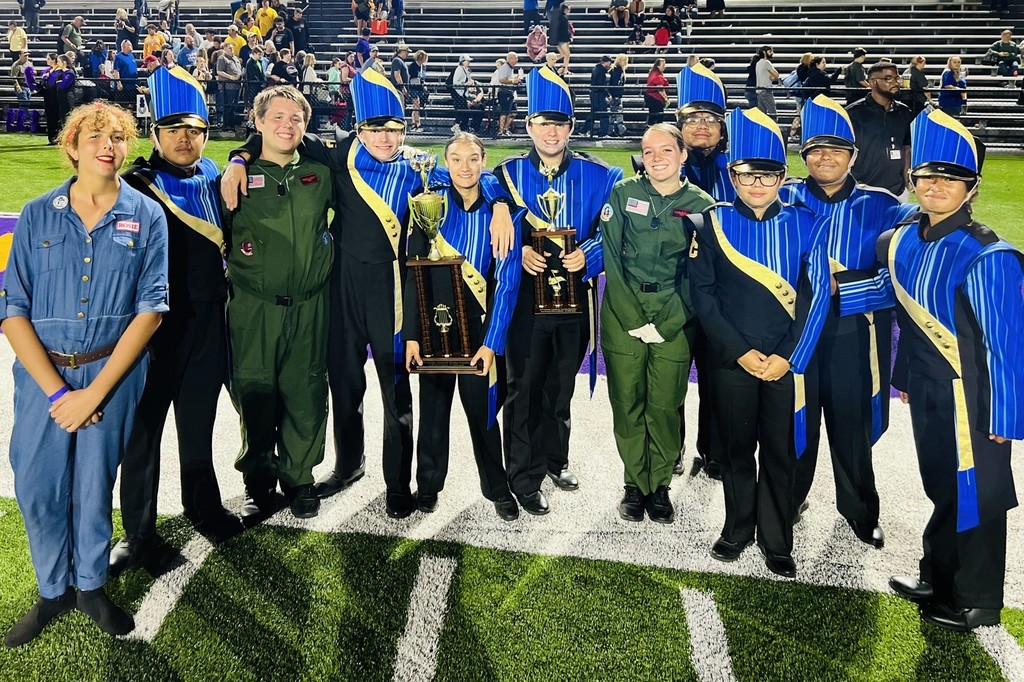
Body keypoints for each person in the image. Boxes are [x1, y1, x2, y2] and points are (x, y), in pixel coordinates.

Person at [221, 70, 517, 518]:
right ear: (358, 128)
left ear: (405, 129)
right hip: (341, 288)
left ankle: (398, 481)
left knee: (396, 389)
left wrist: (499, 202)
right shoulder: (338, 156)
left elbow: (471, 173)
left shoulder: (420, 166)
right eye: (375, 128)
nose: (385, 137)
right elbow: (278, 137)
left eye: (394, 129)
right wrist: (240, 158)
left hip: (394, 292)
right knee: (343, 383)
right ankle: (347, 464)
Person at [841, 110, 1024, 632]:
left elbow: (1007, 344)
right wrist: (830, 293)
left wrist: (1006, 416)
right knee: (942, 485)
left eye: (951, 179)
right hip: (926, 387)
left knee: (980, 494)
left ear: (972, 188)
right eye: (927, 176)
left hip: (976, 397)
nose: (937, 186)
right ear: (912, 179)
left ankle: (979, 598)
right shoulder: (906, 240)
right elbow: (890, 295)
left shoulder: (990, 254)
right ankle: (938, 575)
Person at [1, 101, 169, 648]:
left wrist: (95, 391)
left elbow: (151, 309)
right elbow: (13, 310)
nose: (108, 145)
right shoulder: (35, 214)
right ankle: (53, 590)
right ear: (70, 146)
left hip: (113, 376)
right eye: (95, 135)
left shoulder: (147, 215)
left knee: (96, 486)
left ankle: (91, 586)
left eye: (119, 136)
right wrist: (58, 392)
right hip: (43, 379)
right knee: (38, 486)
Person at [106, 67, 242, 576]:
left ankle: (202, 506)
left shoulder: (216, 175)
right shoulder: (135, 183)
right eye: (173, 129)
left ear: (206, 132)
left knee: (198, 425)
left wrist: (237, 157)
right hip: (151, 331)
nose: (185, 139)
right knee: (142, 434)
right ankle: (138, 533)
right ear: (156, 133)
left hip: (209, 323)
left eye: (195, 130)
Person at [688, 107, 830, 579]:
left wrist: (787, 357)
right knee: (734, 450)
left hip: (785, 365)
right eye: (746, 175)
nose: (755, 184)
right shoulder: (711, 224)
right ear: (731, 174)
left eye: (767, 175)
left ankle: (776, 537)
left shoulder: (808, 223)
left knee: (781, 450)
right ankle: (737, 526)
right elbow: (703, 297)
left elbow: (813, 299)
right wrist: (741, 352)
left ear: (782, 177)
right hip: (733, 361)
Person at [780, 94, 917, 548]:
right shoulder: (782, 196)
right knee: (794, 421)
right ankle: (789, 498)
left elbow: (903, 272)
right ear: (804, 155)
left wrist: (844, 289)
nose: (825, 157)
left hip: (853, 333)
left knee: (852, 425)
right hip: (796, 333)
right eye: (816, 149)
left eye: (836, 149)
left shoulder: (885, 205)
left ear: (853, 156)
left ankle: (859, 510)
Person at [495, 66, 623, 513]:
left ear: (572, 127)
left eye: (560, 123)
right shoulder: (504, 174)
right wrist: (516, 253)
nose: (551, 131)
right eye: (542, 122)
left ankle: (555, 458)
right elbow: (470, 196)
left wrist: (590, 255)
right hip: (526, 300)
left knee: (560, 385)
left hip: (575, 298)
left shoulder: (602, 176)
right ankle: (523, 475)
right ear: (528, 125)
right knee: (523, 386)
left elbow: (615, 231)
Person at [222, 85, 335, 521]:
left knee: (306, 390)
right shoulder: (233, 178)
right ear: (258, 121)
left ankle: (299, 477)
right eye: (277, 117)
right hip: (254, 307)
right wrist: (238, 159)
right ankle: (258, 480)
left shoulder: (321, 172)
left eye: (296, 119)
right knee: (254, 392)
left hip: (310, 304)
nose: (287, 126)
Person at [404, 133, 524, 521]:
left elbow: (507, 284)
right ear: (446, 162)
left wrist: (492, 344)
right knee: (433, 412)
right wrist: (411, 335)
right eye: (455, 159)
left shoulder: (501, 213)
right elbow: (413, 277)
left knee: (484, 413)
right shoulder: (429, 200)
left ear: (484, 160)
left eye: (474, 159)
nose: (465, 167)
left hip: (479, 331)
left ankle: (497, 486)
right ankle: (428, 484)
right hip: (434, 327)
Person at [601, 123, 715, 523]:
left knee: (665, 404)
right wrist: (633, 316)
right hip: (623, 311)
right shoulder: (623, 193)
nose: (657, 158)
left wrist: (667, 322)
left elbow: (699, 272)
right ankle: (635, 483)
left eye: (666, 150)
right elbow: (611, 260)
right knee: (628, 401)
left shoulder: (702, 204)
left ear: (683, 154)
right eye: (648, 152)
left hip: (676, 313)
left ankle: (660, 485)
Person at [673, 63, 733, 481]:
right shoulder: (656, 165)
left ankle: (713, 451)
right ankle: (669, 450)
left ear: (721, 127)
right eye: (691, 118)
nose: (700, 126)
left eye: (709, 119)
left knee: (720, 381)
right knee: (669, 379)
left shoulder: (742, 169)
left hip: (726, 299)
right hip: (674, 294)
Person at [846, 61, 913, 198]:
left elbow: (906, 148)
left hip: (898, 191)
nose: (895, 82)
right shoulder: (853, 113)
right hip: (861, 190)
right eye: (888, 79)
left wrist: (907, 180)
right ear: (872, 82)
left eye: (896, 78)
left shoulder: (904, 111)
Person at [582, 55, 611, 138]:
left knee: (593, 113)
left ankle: (584, 130)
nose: (610, 65)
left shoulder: (597, 69)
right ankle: (602, 133)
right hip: (598, 94)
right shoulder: (601, 71)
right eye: (609, 62)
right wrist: (607, 95)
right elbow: (601, 85)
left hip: (595, 94)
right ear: (606, 62)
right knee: (603, 113)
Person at [495, 51, 523, 137]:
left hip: (509, 92)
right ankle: (500, 131)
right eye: (515, 58)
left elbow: (507, 78)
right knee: (505, 111)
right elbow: (502, 80)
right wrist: (514, 81)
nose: (517, 60)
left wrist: (515, 78)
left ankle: (505, 129)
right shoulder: (505, 67)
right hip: (504, 92)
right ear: (510, 59)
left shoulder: (510, 68)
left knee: (513, 111)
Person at [216, 43, 243, 127]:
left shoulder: (235, 58)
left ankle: (232, 123)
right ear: (224, 49)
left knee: (234, 105)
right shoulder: (222, 58)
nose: (232, 49)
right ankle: (227, 125)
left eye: (232, 48)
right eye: (230, 48)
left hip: (237, 86)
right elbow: (219, 71)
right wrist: (231, 77)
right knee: (228, 106)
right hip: (227, 86)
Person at [754, 45, 778, 120]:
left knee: (761, 113)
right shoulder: (766, 62)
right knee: (772, 112)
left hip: (759, 90)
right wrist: (773, 77)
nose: (772, 53)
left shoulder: (758, 63)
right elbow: (776, 75)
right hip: (766, 90)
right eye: (770, 51)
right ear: (764, 52)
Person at [644, 58, 669, 124]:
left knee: (653, 114)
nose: (664, 66)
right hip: (655, 97)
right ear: (658, 66)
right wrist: (666, 98)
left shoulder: (654, 73)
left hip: (652, 97)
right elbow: (660, 88)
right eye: (663, 65)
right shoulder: (657, 75)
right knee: (657, 115)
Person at [408, 50, 427, 131]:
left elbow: (422, 78)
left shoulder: (423, 66)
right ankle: (417, 123)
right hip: (413, 87)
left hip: (420, 87)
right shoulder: (412, 66)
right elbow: (410, 77)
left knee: (416, 106)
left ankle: (414, 123)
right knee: (416, 105)